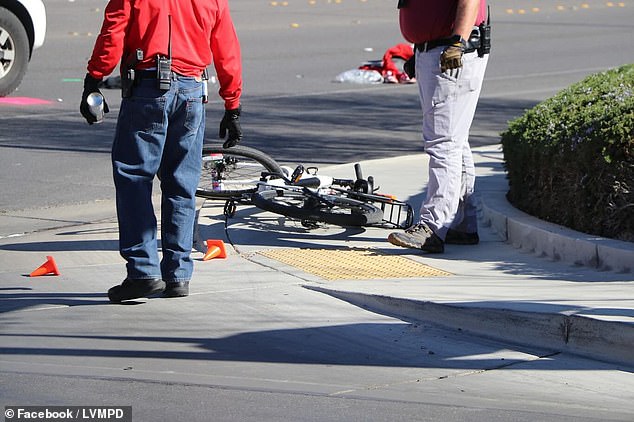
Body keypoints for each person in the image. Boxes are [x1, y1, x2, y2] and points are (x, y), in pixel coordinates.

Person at [80, 0, 243, 303]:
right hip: (193, 92)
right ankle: (178, 274)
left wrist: (94, 78)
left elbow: (112, 33)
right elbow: (226, 47)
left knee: (134, 178)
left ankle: (143, 272)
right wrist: (232, 105)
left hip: (148, 90)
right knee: (182, 183)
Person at [388, 0, 490, 253]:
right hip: (436, 50)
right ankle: (462, 225)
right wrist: (421, 49)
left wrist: (458, 41)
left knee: (443, 143)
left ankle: (433, 227)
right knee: (455, 140)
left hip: (451, 52)